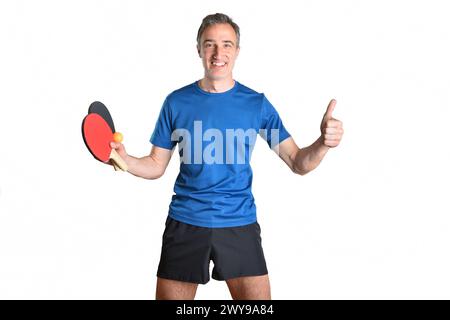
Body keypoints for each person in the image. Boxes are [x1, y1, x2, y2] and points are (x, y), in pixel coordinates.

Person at [110, 13, 344, 300]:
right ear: (199, 49)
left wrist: (322, 143)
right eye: (210, 44)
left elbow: (297, 161)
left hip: (238, 223)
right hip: (186, 222)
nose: (218, 53)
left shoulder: (255, 105)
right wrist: (123, 158)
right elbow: (156, 164)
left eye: (227, 44)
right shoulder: (176, 102)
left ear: (237, 51)